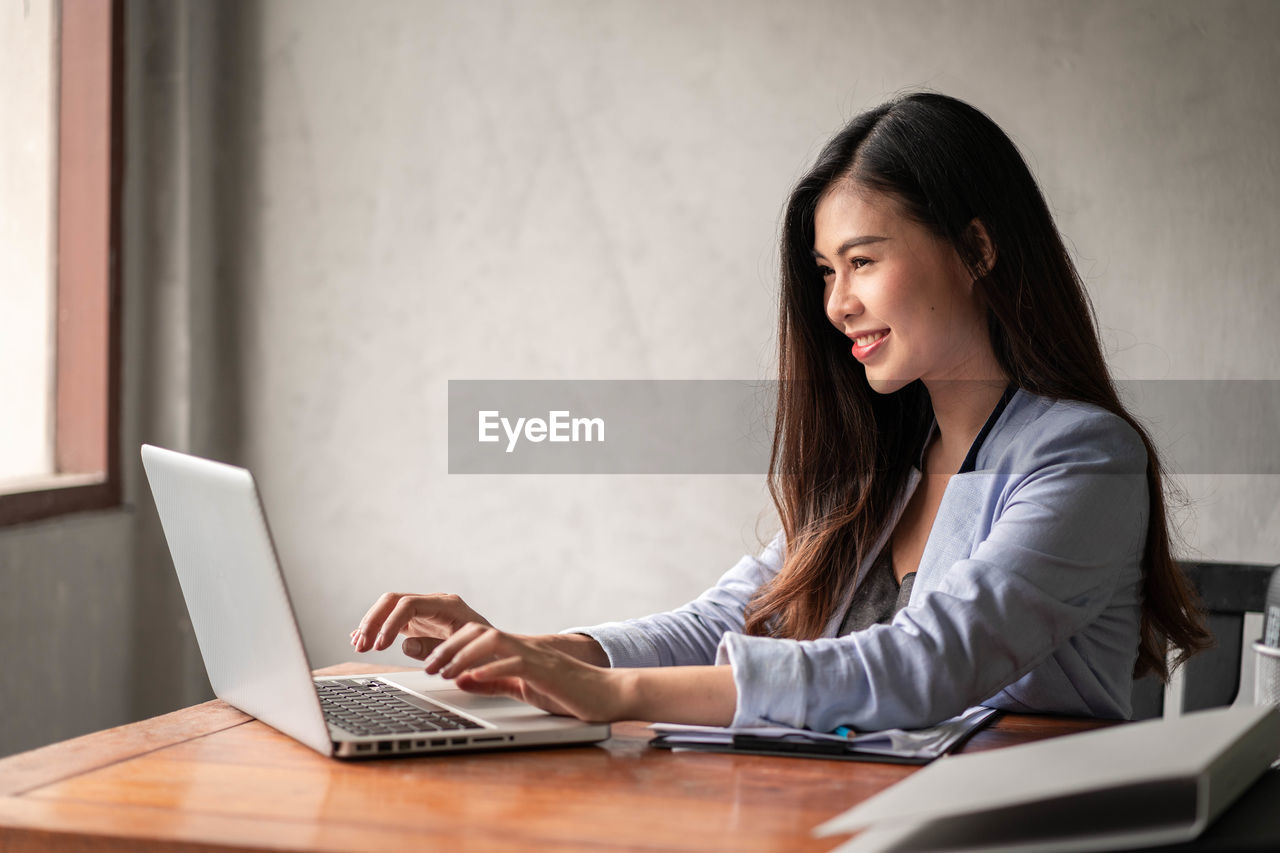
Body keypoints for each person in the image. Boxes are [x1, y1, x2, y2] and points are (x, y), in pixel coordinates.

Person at [352, 92, 1209, 732]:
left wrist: (616, 695)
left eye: (862, 261)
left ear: (978, 249)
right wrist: (536, 652)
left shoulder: (1082, 458)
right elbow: (728, 619)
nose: (837, 304)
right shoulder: (886, 463)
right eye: (826, 273)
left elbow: (930, 665)